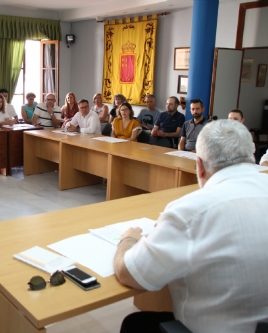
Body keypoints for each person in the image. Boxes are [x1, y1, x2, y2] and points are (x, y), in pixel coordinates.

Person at [114, 119, 268, 333]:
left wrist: (128, 239)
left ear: (200, 166)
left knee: (134, 324)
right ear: (252, 156)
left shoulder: (190, 211)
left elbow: (128, 272)